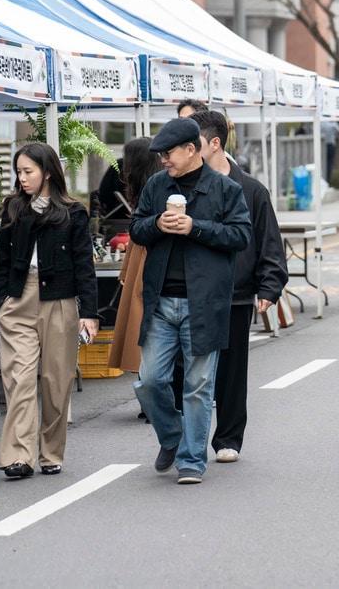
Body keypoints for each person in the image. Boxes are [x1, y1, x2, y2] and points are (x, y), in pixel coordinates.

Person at [130, 117, 251, 485]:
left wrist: (194, 227)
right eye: (161, 154)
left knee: (198, 385)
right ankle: (172, 436)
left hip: (204, 301)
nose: (164, 159)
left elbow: (241, 235)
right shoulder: (156, 185)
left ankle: (191, 460)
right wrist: (157, 225)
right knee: (149, 380)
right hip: (161, 300)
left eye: (169, 153)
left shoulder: (225, 189)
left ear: (191, 150)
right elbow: (136, 227)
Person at [0, 142, 99, 479]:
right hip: (19, 300)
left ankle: (51, 452)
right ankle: (19, 456)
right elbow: (1, 261)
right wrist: (3, 301)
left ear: (48, 172)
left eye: (28, 172)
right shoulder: (13, 208)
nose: (21, 178)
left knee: (56, 381)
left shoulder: (73, 212)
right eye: (19, 172)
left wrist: (90, 313)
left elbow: (84, 265)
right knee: (19, 378)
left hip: (60, 301)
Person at [190, 110, 289, 463]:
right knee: (188, 371)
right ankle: (187, 439)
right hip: (188, 291)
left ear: (214, 144)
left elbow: (269, 243)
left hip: (235, 293)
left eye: (194, 144)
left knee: (232, 370)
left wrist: (269, 287)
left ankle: (228, 437)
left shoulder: (251, 190)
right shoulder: (180, 188)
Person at [109, 137, 161, 375]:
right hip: (145, 254)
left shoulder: (148, 190)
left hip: (143, 257)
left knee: (140, 321)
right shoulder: (161, 185)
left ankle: (148, 390)